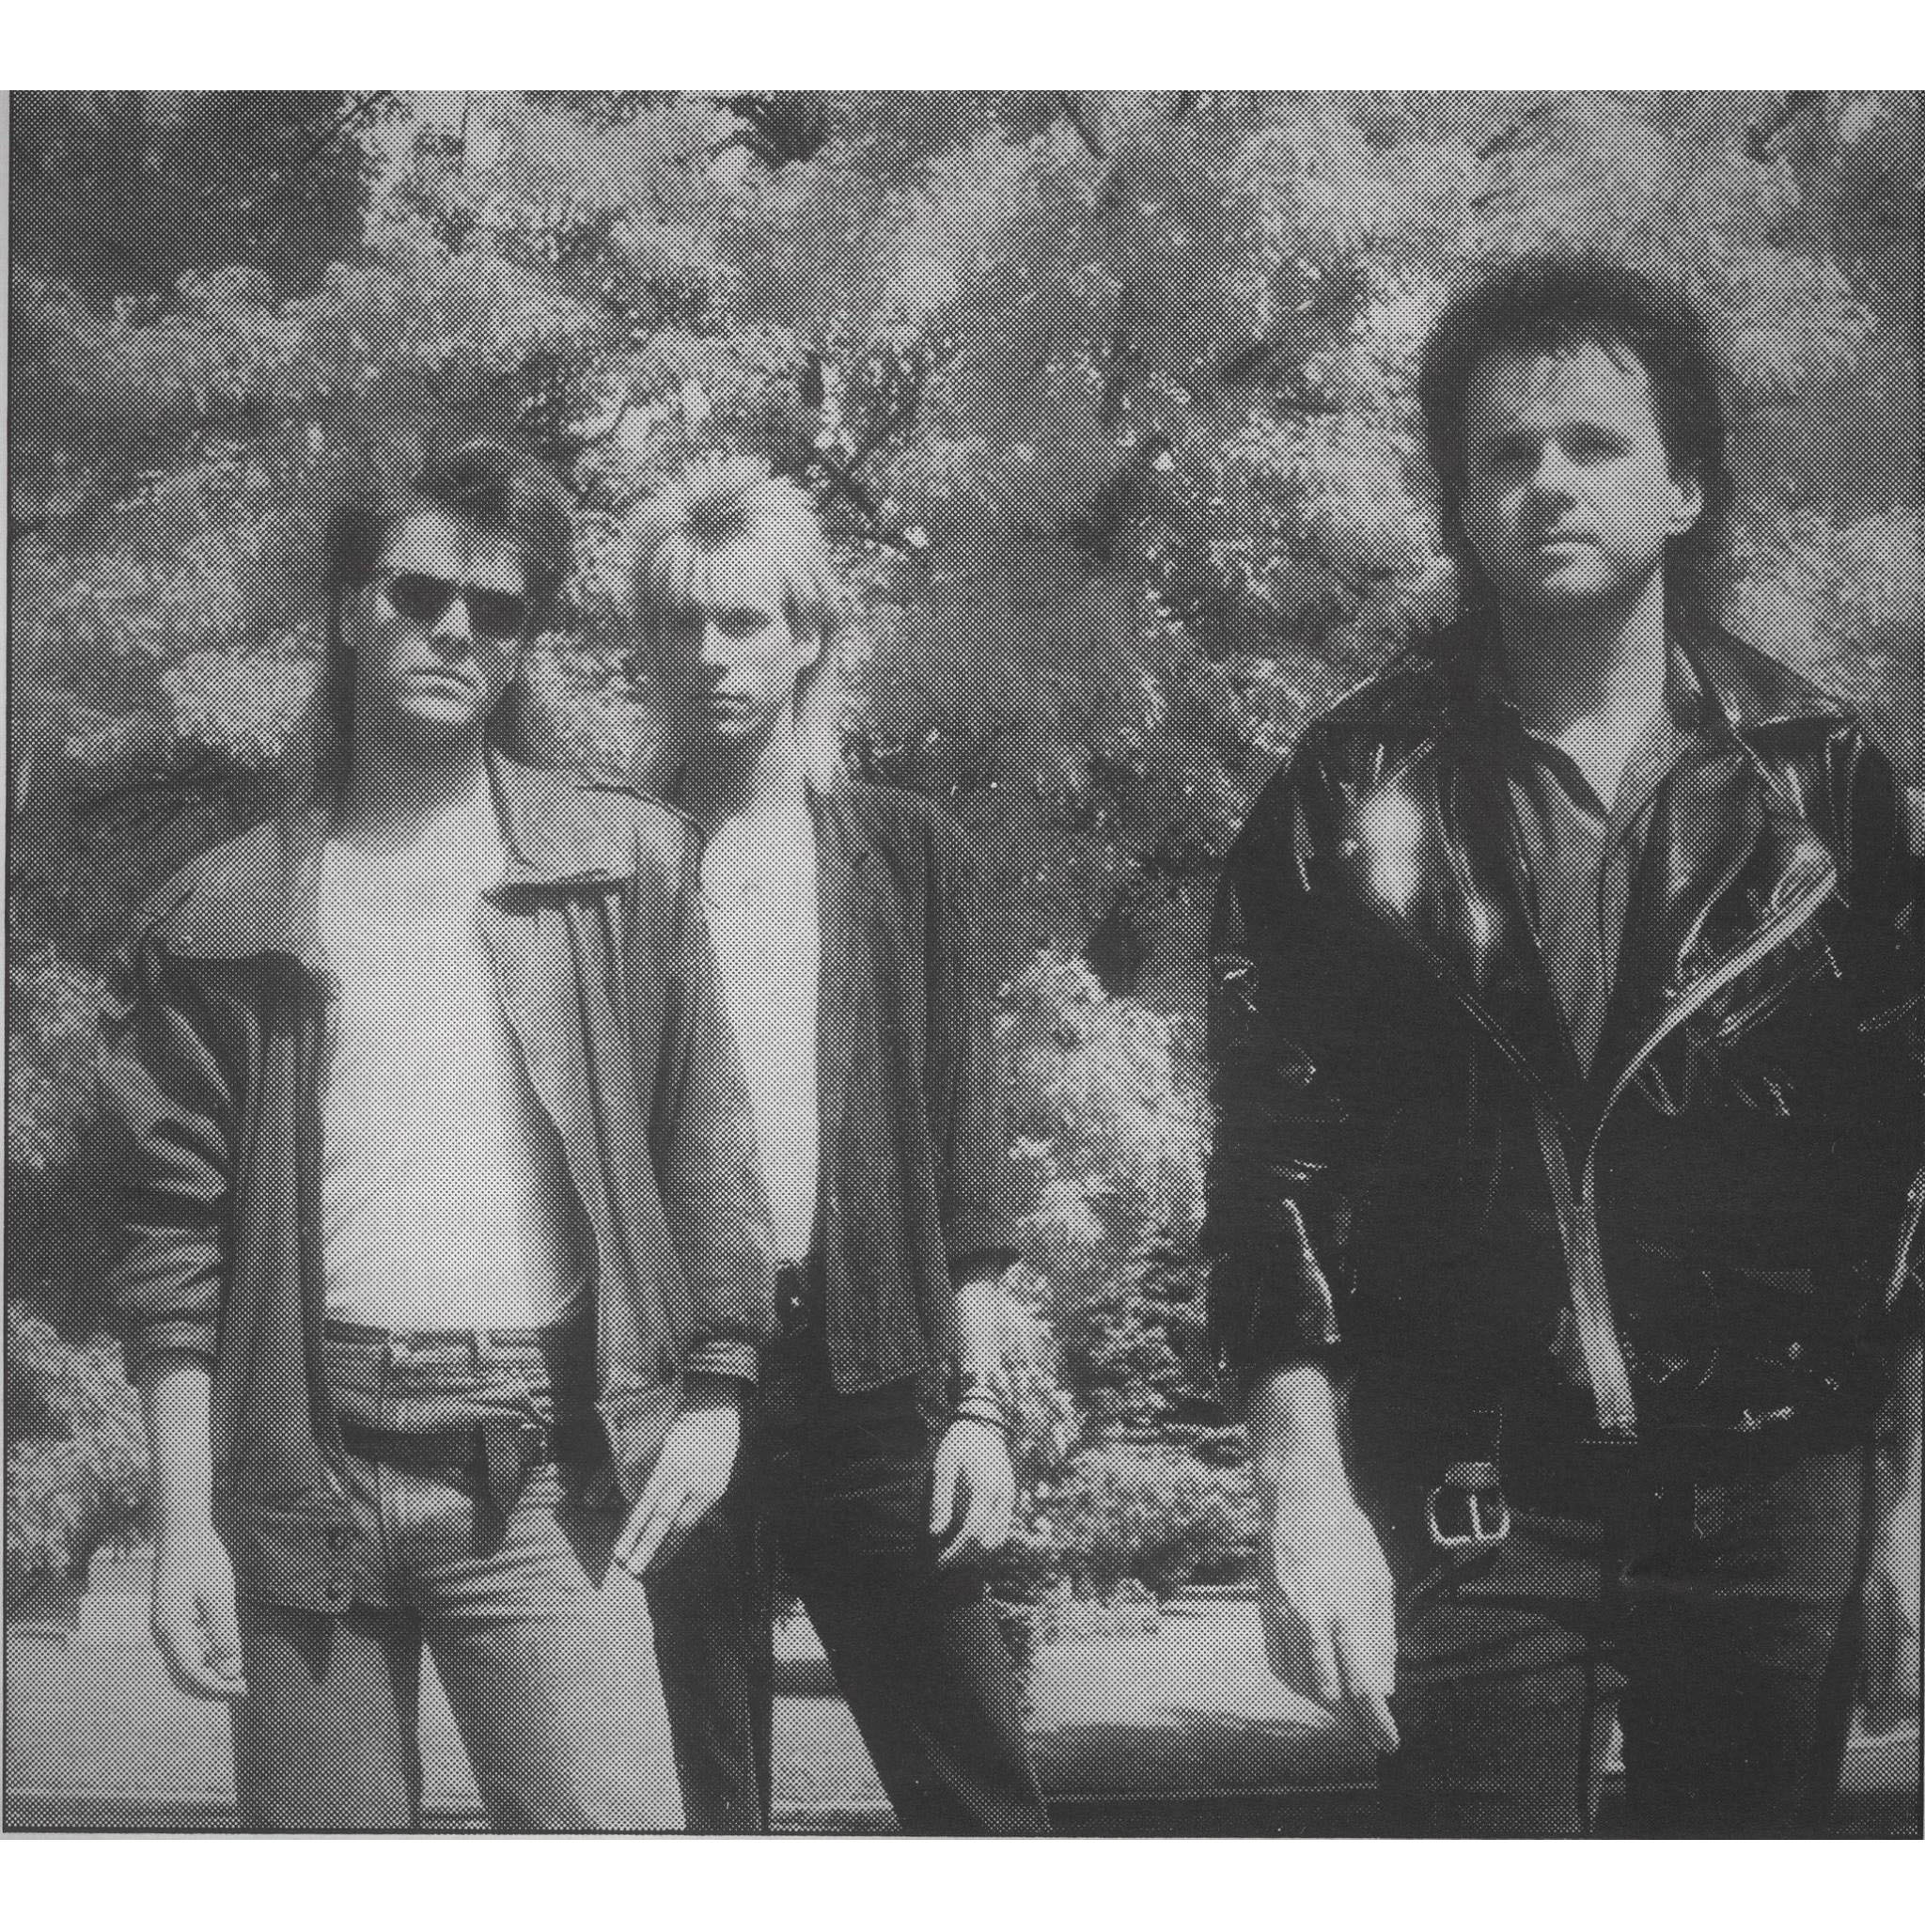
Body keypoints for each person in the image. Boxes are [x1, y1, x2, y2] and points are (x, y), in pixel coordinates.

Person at [1205, 254, 1921, 1834]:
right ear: (1462, 504)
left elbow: (1910, 1171)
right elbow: (1271, 1169)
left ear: (1685, 485)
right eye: (1505, 454)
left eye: (1594, 443)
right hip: (1472, 1492)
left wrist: (1912, 1500)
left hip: (1773, 1489)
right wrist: (1298, 1485)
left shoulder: (1824, 789)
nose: (1548, 482)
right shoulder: (1348, 792)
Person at [100, 425, 775, 1830]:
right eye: (419, 594)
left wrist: (716, 1388)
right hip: (302, 1470)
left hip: (543, 1469)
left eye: (498, 609)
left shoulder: (623, 864)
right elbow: (173, 1250)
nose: (456, 629)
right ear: (354, 609)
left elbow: (703, 1140)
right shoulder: (220, 913)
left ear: (522, 646)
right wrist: (185, 1526)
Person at [630, 455, 1049, 1833]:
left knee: (980, 1805)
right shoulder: (608, 867)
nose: (711, 656)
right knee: (706, 1811)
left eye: (744, 621)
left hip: (874, 1373)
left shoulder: (908, 857)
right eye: (679, 624)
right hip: (671, 1390)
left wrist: (981, 1410)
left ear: (807, 636)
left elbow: (966, 1155)